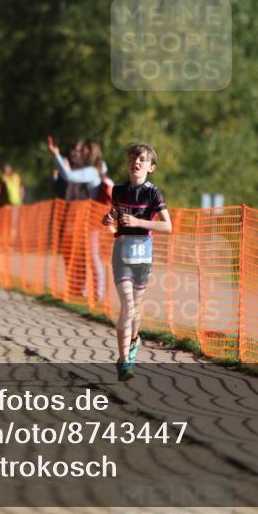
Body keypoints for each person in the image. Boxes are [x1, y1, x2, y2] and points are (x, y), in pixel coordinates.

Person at [102, 142, 171, 382]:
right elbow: (114, 215)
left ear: (151, 167)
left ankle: (133, 339)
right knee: (128, 306)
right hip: (121, 253)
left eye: (142, 159)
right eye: (133, 157)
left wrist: (139, 223)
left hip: (143, 256)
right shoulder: (118, 190)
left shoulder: (153, 193)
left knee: (135, 309)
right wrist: (108, 217)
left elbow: (167, 226)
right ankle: (124, 362)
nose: (137, 162)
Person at [48, 136, 111, 300]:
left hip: (91, 221)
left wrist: (56, 156)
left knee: (92, 256)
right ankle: (81, 290)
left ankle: (98, 294)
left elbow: (69, 176)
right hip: (82, 219)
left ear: (91, 152)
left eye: (83, 150)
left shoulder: (91, 171)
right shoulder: (88, 169)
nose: (79, 152)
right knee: (82, 255)